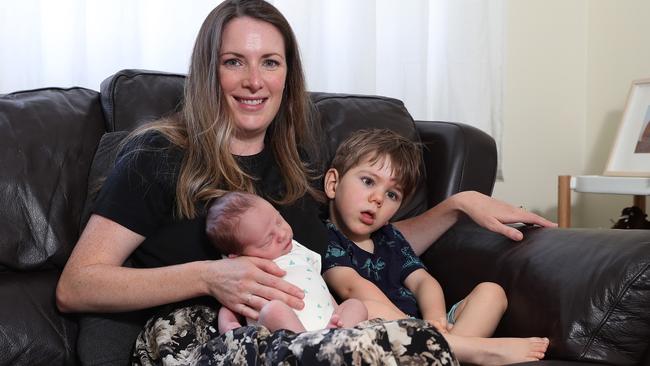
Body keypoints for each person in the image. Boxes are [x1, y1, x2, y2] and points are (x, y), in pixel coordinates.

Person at [55, 0, 555, 364]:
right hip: (201, 339)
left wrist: (458, 204)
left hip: (304, 336)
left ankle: (444, 348)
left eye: (270, 62)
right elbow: (76, 286)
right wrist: (207, 276)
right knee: (391, 345)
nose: (255, 80)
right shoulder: (159, 154)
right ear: (209, 71)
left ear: (287, 75)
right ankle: (464, 351)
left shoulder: (296, 164)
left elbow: (366, 245)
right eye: (235, 61)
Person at [322, 128, 550, 365]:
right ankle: (464, 350)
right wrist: (413, 328)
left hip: (427, 329)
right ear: (333, 183)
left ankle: (446, 352)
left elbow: (423, 282)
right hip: (382, 335)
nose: (378, 198)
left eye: (391, 195)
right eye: (368, 181)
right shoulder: (326, 238)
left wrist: (435, 319)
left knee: (492, 292)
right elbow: (351, 287)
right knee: (363, 307)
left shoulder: (389, 237)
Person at [205, 191, 367, 333]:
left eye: (278, 220)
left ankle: (336, 337)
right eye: (267, 240)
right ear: (236, 256)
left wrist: (338, 312)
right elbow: (232, 303)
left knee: (355, 305)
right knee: (273, 310)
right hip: (288, 337)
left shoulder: (298, 250)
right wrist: (229, 324)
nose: (282, 234)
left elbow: (320, 287)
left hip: (328, 325)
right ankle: (307, 348)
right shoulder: (246, 269)